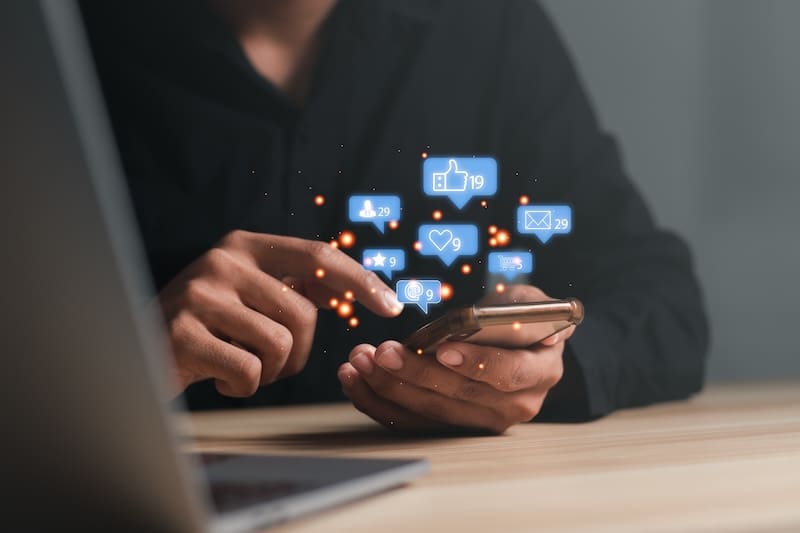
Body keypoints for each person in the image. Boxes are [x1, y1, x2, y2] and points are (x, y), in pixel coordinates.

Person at [79, 0, 709, 433]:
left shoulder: (486, 29)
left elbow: (665, 302)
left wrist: (546, 370)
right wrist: (117, 369)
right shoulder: (59, 43)